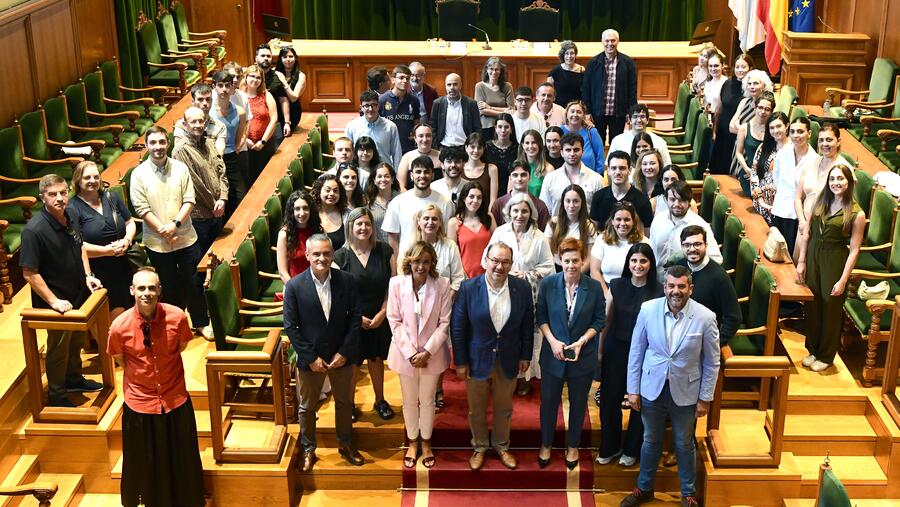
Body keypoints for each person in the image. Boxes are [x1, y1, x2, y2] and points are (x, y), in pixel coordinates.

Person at [621, 265, 720, 507]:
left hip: (686, 392)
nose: (676, 291)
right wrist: (633, 389)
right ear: (664, 287)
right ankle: (644, 488)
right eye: (671, 286)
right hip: (651, 388)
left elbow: (712, 361)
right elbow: (636, 351)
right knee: (650, 440)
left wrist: (705, 397)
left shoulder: (706, 317)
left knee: (684, 443)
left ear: (690, 288)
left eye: (681, 286)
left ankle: (688, 494)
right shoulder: (647, 310)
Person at [107, 267, 204, 507]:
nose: (146, 293)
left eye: (151, 288)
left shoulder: (178, 317)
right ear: (132, 291)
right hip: (140, 405)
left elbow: (180, 347)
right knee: (145, 462)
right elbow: (120, 360)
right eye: (141, 288)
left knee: (182, 457)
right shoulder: (119, 326)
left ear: (160, 290)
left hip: (175, 399)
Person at [21, 174, 104, 407]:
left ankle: (74, 379)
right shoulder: (33, 231)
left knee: (77, 340)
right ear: (42, 198)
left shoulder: (72, 214)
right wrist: (54, 301)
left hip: (78, 292)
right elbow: (29, 273)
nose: (59, 198)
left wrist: (88, 275)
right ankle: (57, 396)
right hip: (55, 303)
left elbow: (80, 247)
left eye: (62, 192)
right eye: (52, 194)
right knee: (58, 351)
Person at [283, 234, 364, 471]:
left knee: (344, 403)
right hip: (311, 360)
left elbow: (355, 319)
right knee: (307, 407)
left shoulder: (347, 281)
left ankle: (346, 444)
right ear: (307, 256)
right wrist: (309, 358)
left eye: (326, 253)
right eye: (316, 254)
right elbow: (291, 326)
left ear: (332, 254)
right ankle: (308, 449)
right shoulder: (295, 286)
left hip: (341, 357)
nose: (322, 258)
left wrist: (345, 353)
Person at [452, 241, 535, 471]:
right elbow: (458, 328)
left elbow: (528, 325)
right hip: (476, 358)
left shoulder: (522, 288)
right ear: (485, 261)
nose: (499, 266)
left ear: (511, 264)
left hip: (509, 357)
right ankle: (479, 446)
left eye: (505, 262)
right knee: (476, 408)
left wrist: (525, 355)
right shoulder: (468, 288)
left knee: (504, 407)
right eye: (495, 261)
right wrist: (460, 361)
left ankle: (501, 445)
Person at [130, 127, 209, 338]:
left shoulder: (181, 168)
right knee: (168, 285)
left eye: (162, 142)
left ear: (168, 143)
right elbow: (141, 208)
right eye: (153, 143)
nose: (158, 147)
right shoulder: (138, 174)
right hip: (157, 241)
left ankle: (201, 322)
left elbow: (190, 200)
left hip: (185, 236)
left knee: (193, 282)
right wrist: (164, 231)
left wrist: (174, 225)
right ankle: (175, 327)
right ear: (146, 146)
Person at [536, 237, 604, 469]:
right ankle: (546, 444)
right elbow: (541, 316)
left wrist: (582, 341)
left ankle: (573, 445)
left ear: (582, 260)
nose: (571, 265)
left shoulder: (593, 287)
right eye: (567, 261)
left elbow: (599, 320)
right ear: (560, 260)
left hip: (582, 356)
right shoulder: (548, 284)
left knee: (577, 404)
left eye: (576, 260)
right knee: (548, 403)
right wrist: (553, 342)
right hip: (552, 355)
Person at [387, 241, 452, 469]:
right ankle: (412, 442)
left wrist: (427, 352)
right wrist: (411, 352)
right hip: (405, 354)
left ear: (432, 262)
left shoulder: (442, 285)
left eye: (426, 261)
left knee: (427, 401)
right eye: (417, 261)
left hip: (431, 355)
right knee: (409, 401)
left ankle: (426, 442)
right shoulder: (396, 284)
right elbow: (393, 320)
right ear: (409, 262)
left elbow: (444, 323)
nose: (421, 266)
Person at [596, 243, 661, 467]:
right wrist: (600, 351)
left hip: (646, 353)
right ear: (628, 263)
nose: (638, 265)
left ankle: (632, 448)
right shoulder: (616, 285)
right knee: (609, 399)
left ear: (650, 264)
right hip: (617, 348)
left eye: (643, 261)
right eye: (634, 261)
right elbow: (607, 320)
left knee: (639, 401)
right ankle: (610, 446)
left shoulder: (658, 291)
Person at [796, 164, 865, 372]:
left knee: (831, 308)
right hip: (813, 255)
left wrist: (843, 280)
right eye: (833, 179)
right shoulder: (821, 200)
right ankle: (813, 349)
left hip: (834, 260)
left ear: (849, 182)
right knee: (813, 304)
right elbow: (807, 230)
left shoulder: (856, 213)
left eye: (841, 179)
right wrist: (801, 261)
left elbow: (854, 250)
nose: (836, 183)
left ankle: (826, 355)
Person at [485, 194, 555, 394]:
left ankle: (524, 377)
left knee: (525, 333)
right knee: (504, 331)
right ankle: (503, 373)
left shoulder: (539, 237)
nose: (520, 215)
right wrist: (501, 270)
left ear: (531, 213)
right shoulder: (500, 232)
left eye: (524, 211)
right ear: (509, 212)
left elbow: (549, 268)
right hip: (501, 289)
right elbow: (485, 260)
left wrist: (527, 274)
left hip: (527, 293)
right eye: (515, 210)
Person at [334, 208, 395, 421]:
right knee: (352, 362)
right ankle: (350, 405)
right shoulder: (340, 256)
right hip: (352, 318)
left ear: (372, 227)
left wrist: (384, 311)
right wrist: (356, 318)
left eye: (367, 224)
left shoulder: (385, 251)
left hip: (379, 315)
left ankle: (380, 400)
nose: (363, 228)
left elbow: (392, 285)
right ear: (350, 227)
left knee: (377, 359)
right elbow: (337, 295)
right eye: (358, 224)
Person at [68, 161, 136, 320]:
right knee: (115, 309)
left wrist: (126, 240)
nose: (92, 181)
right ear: (78, 180)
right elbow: (76, 246)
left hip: (123, 262)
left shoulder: (111, 196)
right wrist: (108, 251)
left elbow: (130, 222)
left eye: (96, 176)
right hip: (98, 268)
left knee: (129, 304)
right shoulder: (72, 208)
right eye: (87, 177)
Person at [171, 106, 229, 269]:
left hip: (217, 210)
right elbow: (194, 184)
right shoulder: (180, 150)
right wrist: (215, 206)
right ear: (185, 124)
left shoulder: (210, 143)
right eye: (193, 122)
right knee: (202, 263)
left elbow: (222, 170)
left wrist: (223, 198)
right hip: (199, 216)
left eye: (200, 121)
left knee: (218, 258)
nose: (197, 125)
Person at [674, 226, 742, 346]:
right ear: (682, 247)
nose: (692, 249)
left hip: (703, 340)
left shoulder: (719, 277)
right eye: (687, 245)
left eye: (697, 244)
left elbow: (734, 317)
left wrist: (714, 344)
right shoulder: (680, 267)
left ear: (706, 245)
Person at [382, 155, 454, 264]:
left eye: (426, 172)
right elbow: (393, 240)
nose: (422, 175)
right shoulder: (397, 203)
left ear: (433, 175)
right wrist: (396, 267)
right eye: (418, 172)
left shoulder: (446, 202)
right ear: (411, 175)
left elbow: (447, 236)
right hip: (407, 263)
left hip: (437, 263)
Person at [794, 123, 852, 245]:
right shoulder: (812, 162)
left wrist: (812, 226)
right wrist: (802, 221)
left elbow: (844, 205)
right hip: (803, 226)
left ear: (838, 141)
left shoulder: (845, 169)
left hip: (824, 231)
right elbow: (798, 197)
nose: (824, 144)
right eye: (821, 140)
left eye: (829, 140)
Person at [649, 181, 722, 275]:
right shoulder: (658, 220)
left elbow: (717, 259)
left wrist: (687, 257)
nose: (676, 204)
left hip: (684, 284)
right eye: (672, 199)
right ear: (666, 199)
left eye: (681, 200)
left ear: (689, 201)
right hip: (657, 280)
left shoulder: (700, 225)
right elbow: (652, 252)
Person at [582, 29, 638, 144]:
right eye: (607, 41)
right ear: (602, 42)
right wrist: (587, 112)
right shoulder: (593, 63)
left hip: (618, 113)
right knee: (597, 143)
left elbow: (632, 90)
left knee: (617, 143)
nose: (610, 44)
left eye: (613, 40)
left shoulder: (628, 63)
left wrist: (630, 112)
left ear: (618, 42)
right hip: (597, 113)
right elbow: (586, 89)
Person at [772, 117, 815, 256]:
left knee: (790, 256)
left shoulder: (814, 159)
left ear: (809, 133)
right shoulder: (782, 153)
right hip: (779, 208)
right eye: (793, 131)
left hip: (799, 215)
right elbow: (776, 178)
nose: (796, 135)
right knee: (776, 252)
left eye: (801, 131)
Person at [209, 71, 248, 219]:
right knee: (218, 196)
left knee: (239, 195)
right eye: (220, 85)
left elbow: (241, 133)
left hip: (231, 157)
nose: (224, 89)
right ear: (214, 87)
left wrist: (236, 148)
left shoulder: (240, 111)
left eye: (227, 85)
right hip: (213, 158)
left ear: (232, 87)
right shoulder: (208, 112)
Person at [590, 201, 649, 295]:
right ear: (612, 221)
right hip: (605, 289)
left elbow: (648, 273)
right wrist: (606, 294)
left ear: (633, 221)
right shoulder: (601, 240)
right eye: (618, 219)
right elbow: (594, 271)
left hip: (634, 291)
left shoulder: (644, 242)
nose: (622, 223)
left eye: (627, 219)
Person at [540, 133, 604, 217]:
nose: (572, 153)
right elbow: (545, 210)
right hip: (557, 228)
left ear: (583, 152)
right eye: (568, 150)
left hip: (586, 229)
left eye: (576, 150)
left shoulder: (596, 179)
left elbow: (600, 212)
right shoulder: (550, 179)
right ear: (562, 152)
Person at [709, 53, 753, 174]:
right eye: (737, 67)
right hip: (722, 132)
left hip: (737, 133)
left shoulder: (751, 87)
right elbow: (718, 109)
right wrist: (714, 130)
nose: (740, 70)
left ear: (750, 68)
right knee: (718, 167)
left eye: (743, 67)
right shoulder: (727, 83)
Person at [589, 150, 653, 229]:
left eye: (622, 168)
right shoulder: (598, 197)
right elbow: (594, 230)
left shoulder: (642, 200)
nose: (618, 172)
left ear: (629, 170)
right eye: (613, 168)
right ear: (608, 170)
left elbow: (647, 233)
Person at [412, 205, 465, 293]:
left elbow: (458, 279)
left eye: (434, 219)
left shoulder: (450, 246)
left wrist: (446, 302)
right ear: (419, 222)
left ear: (440, 223)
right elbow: (404, 277)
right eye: (426, 218)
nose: (430, 222)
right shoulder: (409, 246)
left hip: (445, 299)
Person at [345, 90, 404, 169]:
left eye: (373, 105)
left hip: (384, 174)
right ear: (361, 108)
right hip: (360, 172)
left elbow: (397, 155)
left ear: (378, 106)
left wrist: (397, 177)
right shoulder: (352, 127)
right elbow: (348, 152)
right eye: (366, 105)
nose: (370, 109)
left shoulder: (390, 127)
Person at [239, 64, 277, 184]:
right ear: (245, 77)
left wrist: (263, 141)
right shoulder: (238, 96)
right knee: (248, 178)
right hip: (245, 144)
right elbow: (236, 122)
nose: (255, 80)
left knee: (265, 179)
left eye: (258, 77)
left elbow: (274, 119)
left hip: (265, 144)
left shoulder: (266, 95)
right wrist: (246, 140)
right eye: (252, 76)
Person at [449, 181, 495, 278]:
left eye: (479, 197)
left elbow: (498, 243)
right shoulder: (454, 223)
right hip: (465, 276)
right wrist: (461, 274)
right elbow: (452, 254)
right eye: (471, 196)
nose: (475, 200)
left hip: (489, 275)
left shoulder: (488, 218)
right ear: (464, 198)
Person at [546, 185, 597, 272]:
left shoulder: (588, 226)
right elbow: (547, 253)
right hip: (556, 270)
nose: (571, 205)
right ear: (563, 202)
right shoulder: (553, 223)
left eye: (576, 201)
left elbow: (590, 258)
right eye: (568, 201)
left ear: (582, 203)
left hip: (580, 271)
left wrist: (577, 275)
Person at [750, 112, 789, 224]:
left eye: (778, 126)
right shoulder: (764, 146)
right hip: (760, 204)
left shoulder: (793, 150)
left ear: (787, 126)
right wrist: (761, 201)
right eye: (772, 128)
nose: (775, 130)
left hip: (781, 208)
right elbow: (754, 174)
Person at [491, 160, 552, 231]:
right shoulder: (498, 204)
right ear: (510, 178)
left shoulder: (540, 206)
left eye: (523, 175)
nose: (519, 179)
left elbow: (543, 234)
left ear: (529, 177)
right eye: (515, 175)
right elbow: (495, 233)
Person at [276, 190, 323, 284]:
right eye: (297, 209)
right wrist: (295, 291)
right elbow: (283, 273)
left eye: (305, 208)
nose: (301, 213)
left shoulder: (318, 230)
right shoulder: (284, 234)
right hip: (295, 285)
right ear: (292, 211)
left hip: (319, 282)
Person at [735, 91, 775, 196]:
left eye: (767, 109)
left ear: (771, 112)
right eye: (760, 107)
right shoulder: (744, 128)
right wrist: (746, 169)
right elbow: (738, 152)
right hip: (749, 174)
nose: (762, 112)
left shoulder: (774, 130)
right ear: (755, 107)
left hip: (769, 176)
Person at [173, 83, 227, 156]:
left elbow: (219, 155)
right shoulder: (181, 125)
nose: (205, 103)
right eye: (200, 99)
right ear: (192, 101)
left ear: (211, 101)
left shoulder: (220, 127)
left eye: (208, 99)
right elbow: (180, 153)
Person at [431, 73, 481, 149]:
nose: (452, 88)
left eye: (455, 84)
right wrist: (436, 147)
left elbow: (477, 128)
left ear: (460, 85)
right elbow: (433, 127)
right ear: (445, 86)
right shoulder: (437, 103)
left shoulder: (471, 104)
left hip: (465, 148)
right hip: (443, 147)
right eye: (449, 85)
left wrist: (473, 147)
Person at [379, 65, 420, 154]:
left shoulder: (414, 100)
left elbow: (416, 122)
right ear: (393, 80)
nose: (405, 81)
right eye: (401, 78)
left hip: (408, 147)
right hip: (387, 146)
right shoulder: (382, 100)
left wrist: (415, 134)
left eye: (407, 78)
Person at [475, 57, 514, 139]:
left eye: (497, 69)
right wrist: (503, 111)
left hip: (504, 127)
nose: (494, 72)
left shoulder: (507, 86)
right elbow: (481, 110)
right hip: (485, 127)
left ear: (501, 71)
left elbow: (511, 110)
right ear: (487, 70)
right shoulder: (480, 86)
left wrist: (489, 107)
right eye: (491, 69)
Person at [561, 100, 605, 173]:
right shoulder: (560, 131)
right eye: (572, 111)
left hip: (590, 178)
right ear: (566, 114)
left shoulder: (591, 132)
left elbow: (600, 156)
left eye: (579, 112)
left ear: (584, 115)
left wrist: (599, 175)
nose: (575, 114)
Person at [274, 46, 306, 137]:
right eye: (285, 57)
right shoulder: (275, 73)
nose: (288, 59)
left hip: (293, 111)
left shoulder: (301, 76)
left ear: (295, 58)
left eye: (291, 56)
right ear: (280, 59)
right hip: (276, 109)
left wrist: (283, 81)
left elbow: (293, 98)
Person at [397, 124, 442, 191]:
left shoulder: (441, 156)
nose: (425, 139)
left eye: (428, 135)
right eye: (421, 136)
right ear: (415, 138)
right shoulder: (406, 157)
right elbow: (401, 186)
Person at [484, 113, 519, 196]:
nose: (503, 130)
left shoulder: (518, 148)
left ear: (511, 129)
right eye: (500, 127)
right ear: (495, 128)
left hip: (511, 192)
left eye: (506, 127)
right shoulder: (486, 147)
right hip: (489, 192)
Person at [312, 174, 348, 251]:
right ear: (319, 191)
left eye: (335, 191)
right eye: (327, 190)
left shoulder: (347, 215)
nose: (332, 194)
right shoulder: (310, 214)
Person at [365, 162, 400, 243]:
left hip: (399, 247)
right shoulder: (368, 203)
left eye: (387, 176)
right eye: (379, 176)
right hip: (377, 249)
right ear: (374, 180)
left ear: (392, 179)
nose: (383, 179)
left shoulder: (400, 200)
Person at [462, 132, 500, 207]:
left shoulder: (492, 169)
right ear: (466, 148)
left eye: (479, 148)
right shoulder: (460, 168)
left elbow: (493, 199)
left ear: (483, 149)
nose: (476, 151)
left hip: (485, 213)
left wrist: (489, 215)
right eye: (472, 147)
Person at [547, 41, 585, 108]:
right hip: (559, 107)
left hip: (575, 108)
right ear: (563, 55)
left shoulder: (581, 70)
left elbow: (585, 91)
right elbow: (548, 90)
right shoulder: (556, 71)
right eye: (566, 53)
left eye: (572, 53)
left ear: (575, 55)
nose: (569, 56)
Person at [518, 129, 554, 197]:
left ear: (539, 145)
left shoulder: (548, 169)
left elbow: (551, 197)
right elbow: (510, 193)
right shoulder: (516, 167)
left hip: (540, 207)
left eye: (534, 142)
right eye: (527, 143)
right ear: (523, 145)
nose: (530, 146)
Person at [633, 150, 665, 214]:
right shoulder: (633, 188)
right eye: (644, 164)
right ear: (640, 167)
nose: (648, 167)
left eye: (652, 163)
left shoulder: (665, 187)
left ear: (660, 164)